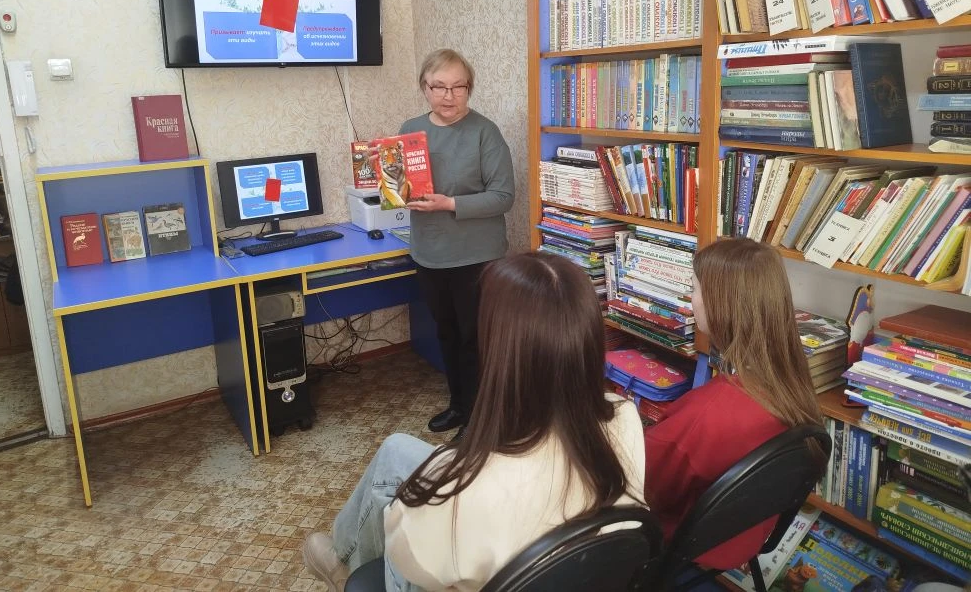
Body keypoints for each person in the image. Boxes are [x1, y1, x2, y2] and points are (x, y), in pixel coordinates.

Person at [301, 252, 646, 592]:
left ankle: (344, 569)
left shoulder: (461, 487)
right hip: (587, 573)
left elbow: (409, 562)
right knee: (395, 450)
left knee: (391, 521)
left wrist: (402, 511)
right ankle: (341, 555)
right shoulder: (625, 416)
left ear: (498, 353)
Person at [642, 238, 828, 570]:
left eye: (694, 288)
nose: (690, 298)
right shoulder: (793, 388)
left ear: (720, 305)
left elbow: (642, 487)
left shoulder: (707, 414)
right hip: (744, 537)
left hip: (684, 547)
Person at [400, 49, 515, 435]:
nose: (448, 96)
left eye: (457, 87)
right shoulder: (410, 130)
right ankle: (459, 406)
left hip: (476, 257)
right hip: (429, 253)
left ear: (469, 88)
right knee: (446, 334)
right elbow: (403, 186)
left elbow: (503, 197)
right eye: (439, 87)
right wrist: (390, 190)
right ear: (424, 87)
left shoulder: (485, 132)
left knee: (475, 341)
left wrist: (448, 204)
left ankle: (480, 418)